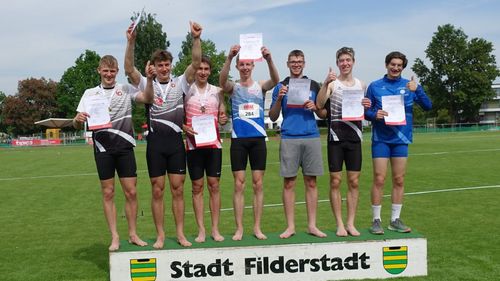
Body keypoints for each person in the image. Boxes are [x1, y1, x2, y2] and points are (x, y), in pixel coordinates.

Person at [124, 21, 203, 248]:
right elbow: (129, 69)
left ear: (171, 65)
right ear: (155, 67)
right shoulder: (147, 84)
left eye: (167, 64)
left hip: (176, 144)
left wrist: (196, 38)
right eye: (160, 65)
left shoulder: (180, 83)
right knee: (157, 190)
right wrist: (131, 42)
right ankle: (160, 235)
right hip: (156, 144)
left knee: (178, 189)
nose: (164, 68)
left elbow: (196, 63)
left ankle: (179, 234)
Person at [73, 55, 154, 251]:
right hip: (103, 148)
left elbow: (147, 98)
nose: (109, 74)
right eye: (105, 71)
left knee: (132, 192)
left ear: (117, 72)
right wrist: (78, 118)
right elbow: (76, 122)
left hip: (124, 146)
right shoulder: (89, 93)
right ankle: (115, 236)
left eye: (112, 71)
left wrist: (149, 80)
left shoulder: (125, 88)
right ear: (99, 71)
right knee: (108, 192)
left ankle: (133, 234)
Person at [365, 51, 432, 234]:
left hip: (401, 139)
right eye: (392, 64)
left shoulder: (409, 86)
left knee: (399, 179)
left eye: (399, 65)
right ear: (386, 65)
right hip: (381, 138)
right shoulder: (375, 86)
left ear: (403, 67)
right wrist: (373, 115)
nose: (395, 68)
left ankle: (395, 219)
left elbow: (428, 106)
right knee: (379, 178)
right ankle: (376, 220)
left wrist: (417, 89)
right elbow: (366, 112)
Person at [219, 44, 279, 240]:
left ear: (253, 65)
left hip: (258, 140)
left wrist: (269, 59)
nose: (245, 67)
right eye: (241, 64)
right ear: (237, 67)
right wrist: (229, 58)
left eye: (248, 64)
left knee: (258, 184)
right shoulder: (233, 87)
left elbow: (276, 80)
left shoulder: (259, 86)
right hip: (238, 141)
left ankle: (257, 227)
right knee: (238, 184)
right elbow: (221, 80)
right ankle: (239, 228)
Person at [269, 49, 326, 239]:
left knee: (311, 182)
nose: (296, 64)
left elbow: (323, 113)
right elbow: (273, 116)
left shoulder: (314, 85)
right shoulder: (281, 86)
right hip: (289, 137)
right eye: (293, 61)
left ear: (304, 63)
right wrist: (278, 98)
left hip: (311, 136)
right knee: (289, 183)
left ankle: (312, 225)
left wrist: (315, 107)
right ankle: (290, 226)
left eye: (299, 61)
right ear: (287, 64)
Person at [316, 47, 371, 237]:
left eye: (348, 60)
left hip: (355, 138)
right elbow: (320, 104)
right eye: (341, 60)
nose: (345, 63)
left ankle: (350, 223)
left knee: (354, 182)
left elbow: (368, 110)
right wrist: (325, 84)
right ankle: (339, 223)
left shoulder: (361, 85)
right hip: (336, 138)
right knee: (335, 181)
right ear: (338, 63)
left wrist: (367, 105)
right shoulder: (333, 84)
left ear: (353, 62)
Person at [183, 56, 228, 243]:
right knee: (196, 187)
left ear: (210, 71)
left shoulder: (218, 92)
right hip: (193, 146)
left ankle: (215, 229)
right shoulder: (186, 90)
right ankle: (201, 229)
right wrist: (184, 127)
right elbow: (178, 116)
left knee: (214, 186)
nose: (202, 72)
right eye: (199, 68)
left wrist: (223, 118)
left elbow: (222, 113)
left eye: (206, 68)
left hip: (213, 144)